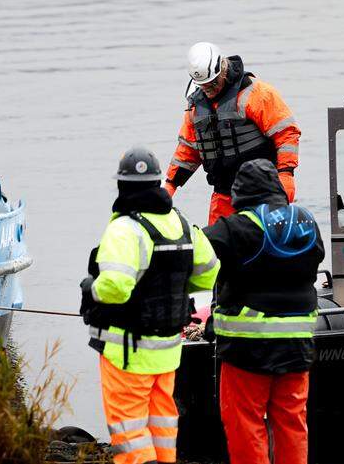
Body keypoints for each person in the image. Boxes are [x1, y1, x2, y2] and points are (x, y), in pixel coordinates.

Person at [80, 146, 220, 464]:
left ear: (122, 186)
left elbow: (115, 287)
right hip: (168, 350)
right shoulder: (182, 224)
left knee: (129, 431)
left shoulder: (124, 229)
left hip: (128, 351)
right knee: (162, 424)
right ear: (158, 183)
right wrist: (181, 291)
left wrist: (93, 289)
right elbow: (210, 271)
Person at [202, 159, 323, 464]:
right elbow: (316, 257)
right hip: (297, 345)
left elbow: (194, 250)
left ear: (239, 195)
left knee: (246, 424)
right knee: (292, 422)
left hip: (247, 350)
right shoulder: (306, 222)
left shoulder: (235, 228)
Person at [165, 42, 301, 225]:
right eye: (203, 85)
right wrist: (169, 185)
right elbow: (188, 150)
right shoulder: (196, 106)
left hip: (262, 193)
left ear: (222, 68)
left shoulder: (256, 93)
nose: (209, 89)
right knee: (218, 249)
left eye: (212, 83)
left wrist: (286, 173)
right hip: (223, 195)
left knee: (264, 246)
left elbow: (286, 133)